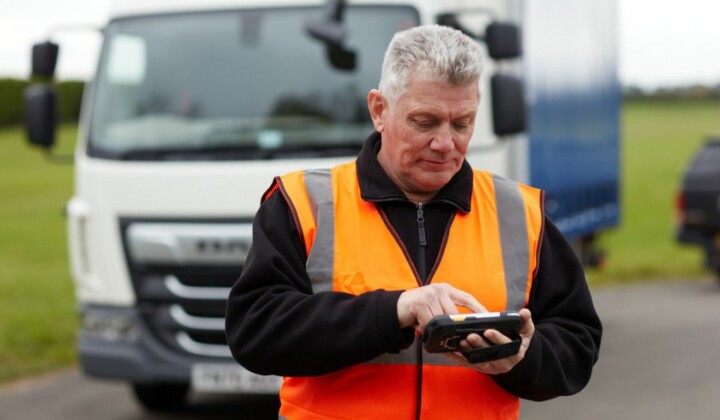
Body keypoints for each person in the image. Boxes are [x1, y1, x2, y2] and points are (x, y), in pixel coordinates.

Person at [226, 25, 602, 420]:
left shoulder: (520, 212)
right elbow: (254, 331)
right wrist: (395, 310)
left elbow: (578, 346)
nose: (445, 143)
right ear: (379, 110)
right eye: (425, 122)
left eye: (462, 124)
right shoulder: (303, 202)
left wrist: (524, 357)